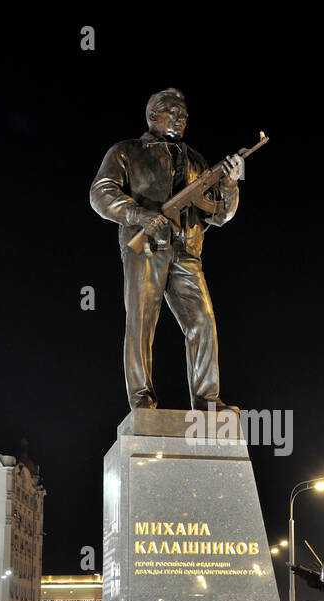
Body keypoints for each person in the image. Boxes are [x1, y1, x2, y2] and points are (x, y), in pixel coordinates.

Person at [90, 87, 244, 412]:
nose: (180, 120)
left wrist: (229, 185)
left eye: (184, 116)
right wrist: (138, 215)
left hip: (187, 250)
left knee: (202, 320)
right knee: (142, 321)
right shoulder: (127, 151)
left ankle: (207, 401)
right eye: (172, 113)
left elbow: (219, 215)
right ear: (152, 114)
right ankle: (141, 397)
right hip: (145, 248)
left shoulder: (198, 161)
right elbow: (100, 192)